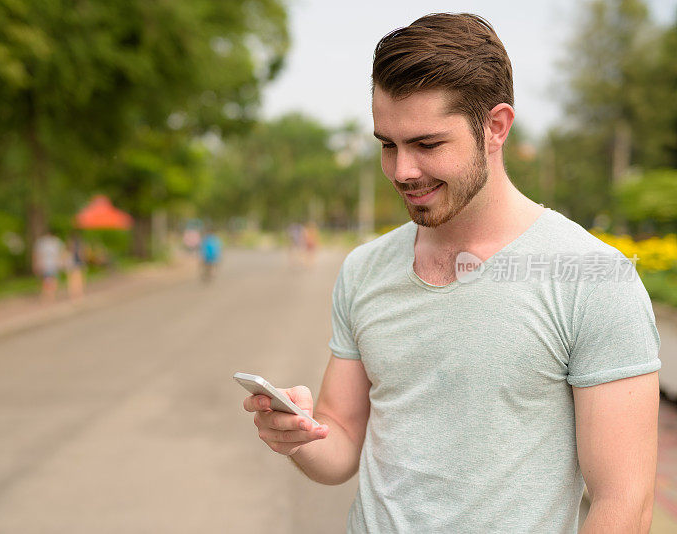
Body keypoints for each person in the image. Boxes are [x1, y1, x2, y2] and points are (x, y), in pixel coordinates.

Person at [241, 13, 661, 533]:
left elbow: (623, 504)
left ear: (496, 127)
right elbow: (342, 438)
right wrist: (301, 436)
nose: (402, 171)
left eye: (427, 144)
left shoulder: (593, 277)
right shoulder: (364, 270)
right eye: (388, 144)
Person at [33, 231, 64, 302]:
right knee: (52, 280)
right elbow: (61, 253)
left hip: (45, 264)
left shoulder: (41, 242)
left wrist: (36, 264)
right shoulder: (56, 241)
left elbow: (36, 254)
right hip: (52, 264)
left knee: (46, 280)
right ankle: (51, 295)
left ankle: (47, 295)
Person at [64, 232, 85, 301]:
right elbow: (81, 254)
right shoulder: (79, 245)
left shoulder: (69, 244)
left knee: (71, 279)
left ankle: (73, 293)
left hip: (71, 263)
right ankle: (78, 293)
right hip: (76, 262)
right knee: (78, 279)